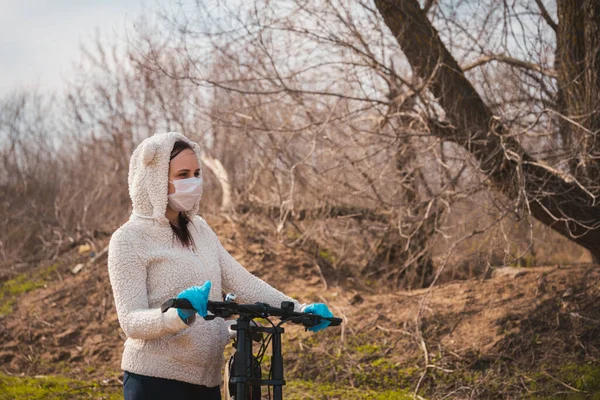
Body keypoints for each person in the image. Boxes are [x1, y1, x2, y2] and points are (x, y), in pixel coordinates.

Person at [107, 132, 333, 400]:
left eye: (196, 172)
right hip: (155, 381)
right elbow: (131, 321)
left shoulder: (200, 230)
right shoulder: (128, 239)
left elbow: (243, 282)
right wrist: (175, 315)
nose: (193, 181)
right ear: (155, 179)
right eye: (182, 175)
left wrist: (299, 310)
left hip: (207, 382)